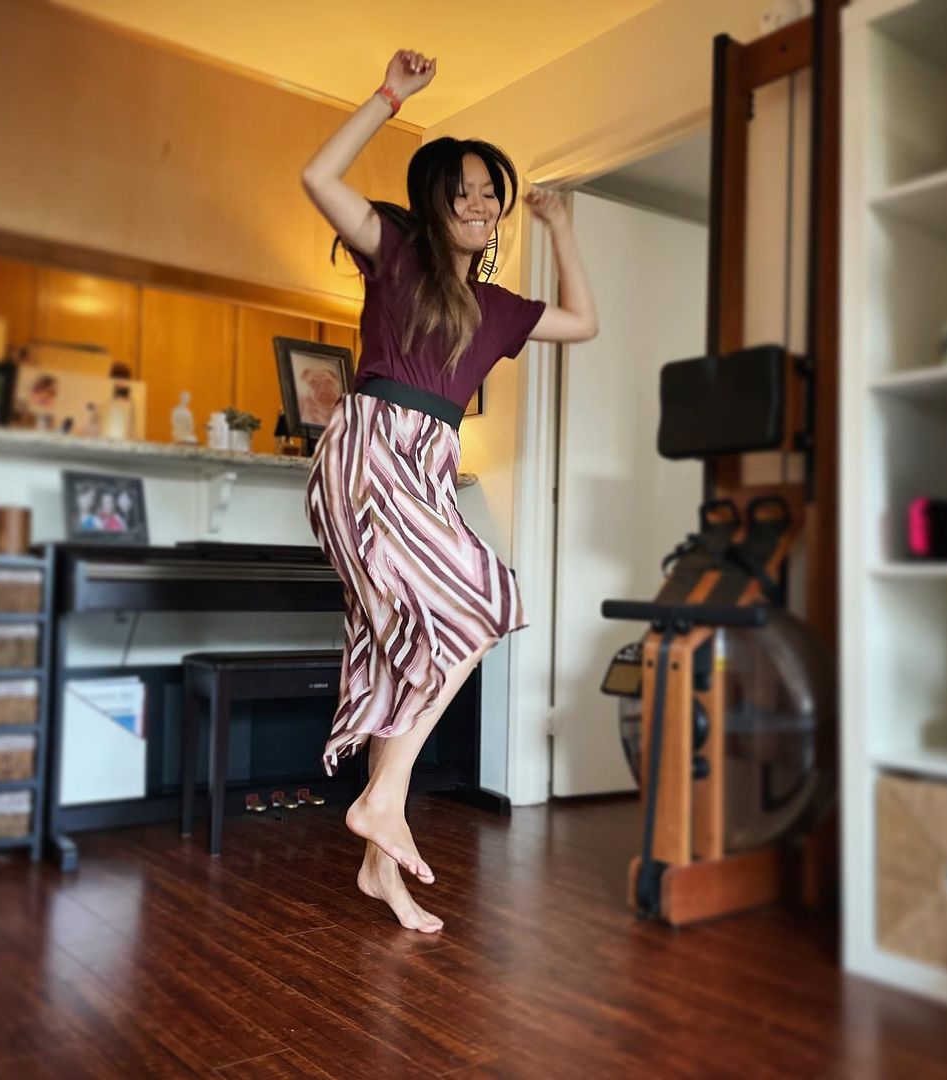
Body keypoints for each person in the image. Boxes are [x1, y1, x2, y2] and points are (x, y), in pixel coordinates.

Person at [301, 49, 597, 933]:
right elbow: (318, 176)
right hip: (371, 448)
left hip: (426, 465)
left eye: (489, 193)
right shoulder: (394, 253)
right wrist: (389, 97)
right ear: (434, 201)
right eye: (462, 190)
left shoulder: (499, 309)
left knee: (410, 653)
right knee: (484, 604)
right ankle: (381, 803)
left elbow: (584, 323)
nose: (478, 203)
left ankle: (378, 867)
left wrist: (560, 226)